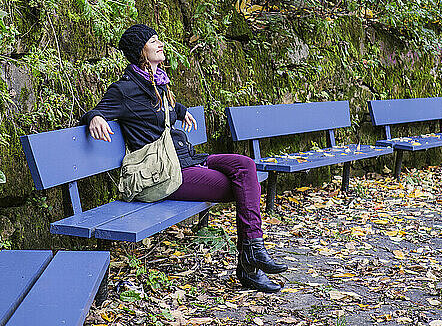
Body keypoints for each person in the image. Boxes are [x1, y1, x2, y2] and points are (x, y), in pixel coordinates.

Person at [80, 24, 287, 293]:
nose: (159, 44)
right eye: (153, 41)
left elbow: (161, 110)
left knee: (245, 165)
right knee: (244, 187)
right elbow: (98, 110)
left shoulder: (159, 83)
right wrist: (94, 117)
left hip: (186, 158)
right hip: (166, 172)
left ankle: (252, 253)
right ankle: (249, 263)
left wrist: (181, 110)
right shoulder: (125, 90)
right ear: (140, 51)